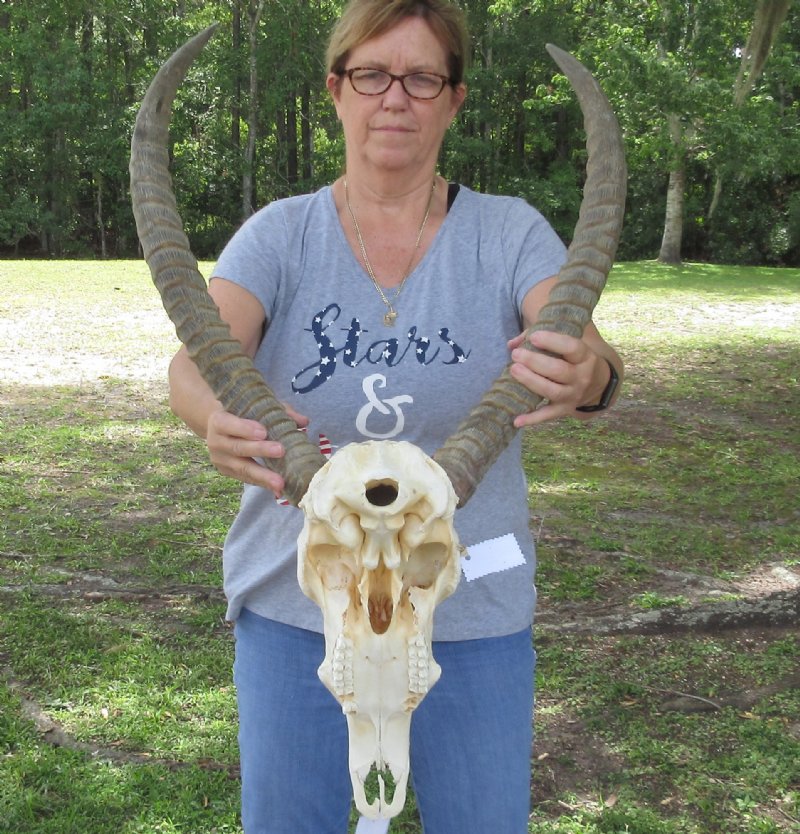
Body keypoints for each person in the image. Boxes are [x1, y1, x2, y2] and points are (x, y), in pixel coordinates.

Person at [168, 1, 623, 832]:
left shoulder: (507, 231)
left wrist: (590, 371)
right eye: (374, 75)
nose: (395, 99)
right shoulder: (280, 235)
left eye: (422, 78)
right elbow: (195, 362)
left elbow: (579, 342)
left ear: (453, 99)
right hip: (299, 607)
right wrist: (210, 415)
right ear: (337, 89)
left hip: (468, 610)